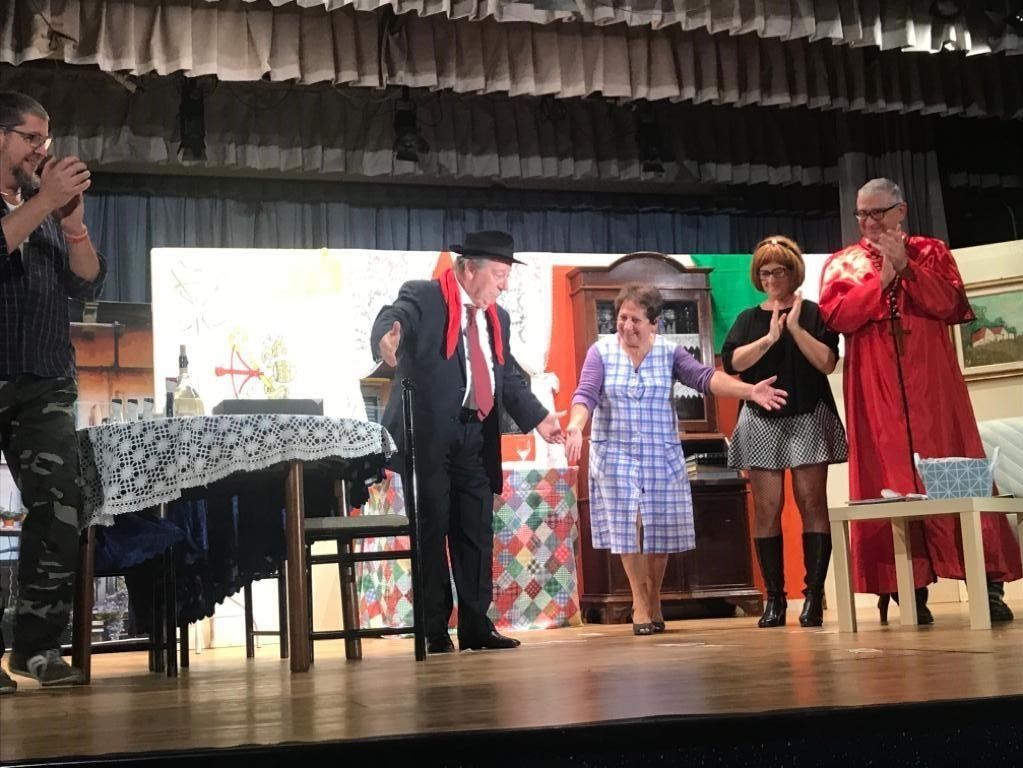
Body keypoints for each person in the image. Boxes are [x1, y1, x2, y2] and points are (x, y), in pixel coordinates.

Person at [819, 177, 1020, 623]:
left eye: (877, 212)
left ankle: (986, 581)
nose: (869, 222)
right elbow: (837, 317)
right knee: (886, 474)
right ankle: (906, 589)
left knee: (955, 464)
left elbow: (952, 306)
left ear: (901, 210)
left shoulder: (932, 251)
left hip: (931, 379)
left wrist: (907, 268)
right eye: (861, 214)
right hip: (874, 385)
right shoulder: (842, 263)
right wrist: (881, 282)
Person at [370, 230, 564, 653]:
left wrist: (540, 419)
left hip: (474, 436)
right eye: (499, 275)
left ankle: (476, 625)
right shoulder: (425, 296)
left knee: (475, 531)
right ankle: (434, 628)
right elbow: (394, 316)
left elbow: (506, 377)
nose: (504, 285)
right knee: (432, 528)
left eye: (507, 276)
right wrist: (387, 336)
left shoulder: (498, 318)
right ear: (470, 268)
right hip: (428, 436)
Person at [565, 283, 787, 635]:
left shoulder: (669, 353)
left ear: (654, 323)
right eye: (622, 318)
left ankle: (653, 598)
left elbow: (705, 378)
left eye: (636, 320)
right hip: (615, 455)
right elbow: (586, 394)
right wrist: (576, 426)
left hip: (660, 454)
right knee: (631, 526)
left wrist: (750, 391)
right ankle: (640, 602)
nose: (626, 326)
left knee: (658, 529)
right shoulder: (601, 352)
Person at [0, 91, 104, 692]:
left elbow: (86, 283)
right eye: (31, 139)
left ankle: (36, 649)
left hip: (45, 377)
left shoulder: (44, 210)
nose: (42, 151)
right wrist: (44, 202)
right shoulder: (31, 204)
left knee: (61, 505)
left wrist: (73, 225)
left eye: (46, 140)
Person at [722, 236, 849, 629]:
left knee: (812, 503)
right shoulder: (748, 318)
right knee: (767, 508)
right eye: (765, 272)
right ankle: (774, 598)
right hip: (762, 418)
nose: (772, 279)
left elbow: (827, 362)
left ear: (794, 273)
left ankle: (813, 596)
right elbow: (733, 363)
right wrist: (770, 338)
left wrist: (794, 328)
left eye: (779, 271)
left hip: (808, 414)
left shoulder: (813, 313)